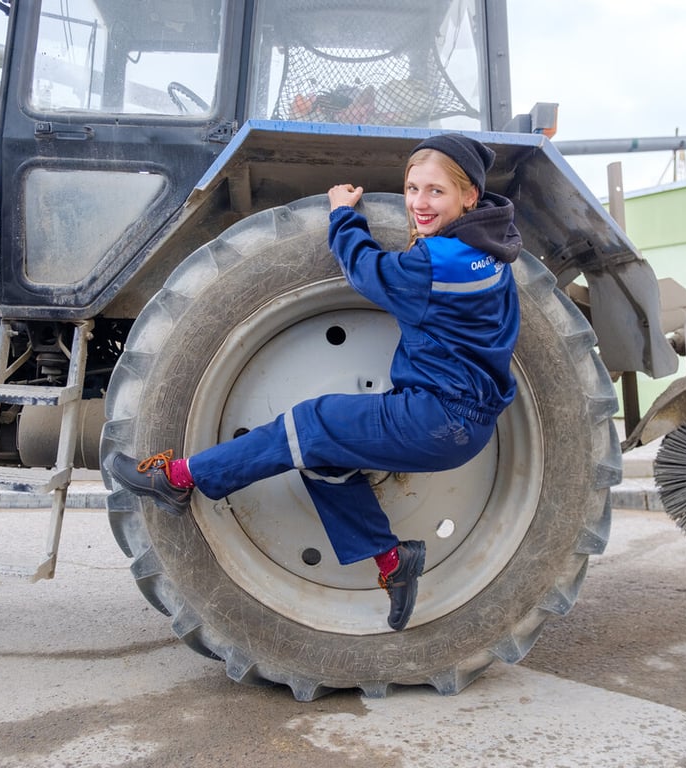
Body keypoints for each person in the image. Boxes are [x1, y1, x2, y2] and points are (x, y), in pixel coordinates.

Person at [106, 133, 522, 632]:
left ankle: (178, 480)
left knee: (309, 424)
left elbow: (366, 273)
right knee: (321, 460)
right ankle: (392, 560)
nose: (418, 203)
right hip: (453, 417)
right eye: (412, 188)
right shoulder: (491, 253)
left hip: (436, 418)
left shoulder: (439, 263)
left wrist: (344, 214)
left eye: (435, 191)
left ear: (469, 196)